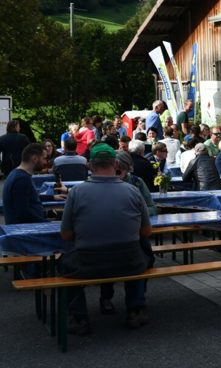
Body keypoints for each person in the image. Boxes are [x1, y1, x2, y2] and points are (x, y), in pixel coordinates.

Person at [58, 143, 153, 335]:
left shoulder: (76, 193)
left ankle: (78, 317)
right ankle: (136, 308)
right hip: (129, 261)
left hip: (88, 262)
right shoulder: (133, 191)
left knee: (62, 265)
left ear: (90, 166)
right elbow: (146, 232)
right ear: (116, 163)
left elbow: (66, 235)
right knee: (140, 254)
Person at [2, 143, 52, 224]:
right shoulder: (22, 179)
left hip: (23, 228)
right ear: (35, 159)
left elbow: (27, 198)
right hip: (24, 231)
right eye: (44, 158)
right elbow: (23, 213)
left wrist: (52, 197)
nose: (46, 162)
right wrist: (48, 223)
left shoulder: (17, 174)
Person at [115, 150, 156, 216]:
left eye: (118, 172)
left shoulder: (137, 182)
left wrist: (135, 212)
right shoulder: (104, 184)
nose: (115, 176)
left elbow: (152, 208)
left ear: (127, 169)